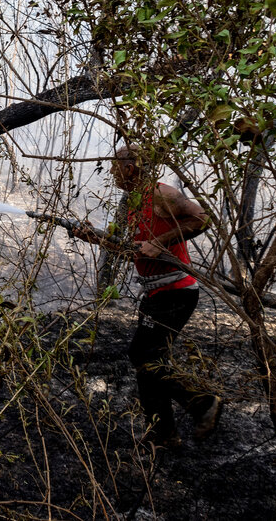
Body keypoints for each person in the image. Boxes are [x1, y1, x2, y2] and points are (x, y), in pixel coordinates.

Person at [73, 144, 222, 448]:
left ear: (129, 168)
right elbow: (133, 251)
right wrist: (95, 238)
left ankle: (203, 403)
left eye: (114, 166)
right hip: (156, 293)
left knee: (143, 356)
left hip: (176, 292)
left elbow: (204, 217)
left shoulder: (161, 194)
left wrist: (161, 241)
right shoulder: (134, 203)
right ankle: (164, 434)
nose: (111, 172)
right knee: (147, 362)